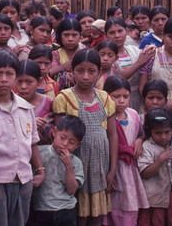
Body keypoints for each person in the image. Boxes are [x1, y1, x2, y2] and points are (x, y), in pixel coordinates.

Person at [0, 48, 45, 226]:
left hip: (23, 181)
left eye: (9, 73)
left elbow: (33, 143)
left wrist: (40, 170)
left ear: (15, 77)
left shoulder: (26, 109)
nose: (4, 78)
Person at [53, 48, 117, 225]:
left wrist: (112, 169)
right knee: (78, 214)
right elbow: (60, 138)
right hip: (75, 164)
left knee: (96, 214)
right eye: (80, 71)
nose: (86, 76)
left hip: (100, 164)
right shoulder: (64, 98)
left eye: (91, 71)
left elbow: (112, 135)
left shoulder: (105, 98)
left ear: (99, 72)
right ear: (72, 71)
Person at [103, 75, 149, 226]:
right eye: (116, 96)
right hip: (112, 167)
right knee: (113, 205)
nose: (121, 101)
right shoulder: (103, 117)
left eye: (125, 96)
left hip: (130, 168)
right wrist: (110, 172)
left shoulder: (133, 114)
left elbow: (141, 134)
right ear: (106, 96)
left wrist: (139, 141)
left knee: (129, 203)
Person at [26, 115, 85, 226]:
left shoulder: (76, 162)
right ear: (54, 132)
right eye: (62, 137)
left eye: (72, 142)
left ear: (78, 145)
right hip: (41, 210)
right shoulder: (39, 153)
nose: (65, 144)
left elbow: (72, 190)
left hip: (66, 211)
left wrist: (69, 166)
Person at [137, 108, 172, 226]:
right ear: (150, 131)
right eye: (158, 133)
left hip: (169, 195)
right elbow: (145, 173)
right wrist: (160, 160)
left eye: (167, 132)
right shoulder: (147, 147)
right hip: (153, 198)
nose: (163, 137)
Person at [105, 18, 154, 112]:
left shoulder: (134, 50)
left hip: (138, 97)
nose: (117, 36)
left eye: (120, 31)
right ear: (106, 35)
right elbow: (118, 76)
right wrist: (139, 62)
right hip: (117, 100)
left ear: (126, 31)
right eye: (112, 33)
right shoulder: (106, 55)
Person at [16, 60, 54, 145]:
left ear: (39, 82)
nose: (23, 86)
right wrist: (30, 123)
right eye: (19, 81)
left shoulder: (49, 103)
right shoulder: (11, 103)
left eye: (29, 82)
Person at [49, 18, 84, 91]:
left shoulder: (84, 52)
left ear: (80, 35)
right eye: (66, 35)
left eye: (74, 35)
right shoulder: (55, 54)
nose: (70, 39)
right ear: (60, 35)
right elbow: (49, 74)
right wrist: (63, 67)